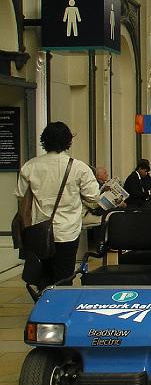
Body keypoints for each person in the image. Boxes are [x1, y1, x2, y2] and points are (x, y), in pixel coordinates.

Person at [15, 122, 100, 288]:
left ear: (44, 141)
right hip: (67, 231)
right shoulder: (79, 168)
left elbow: (21, 198)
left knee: (43, 277)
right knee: (64, 276)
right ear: (68, 142)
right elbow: (93, 196)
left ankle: (44, 307)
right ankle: (60, 310)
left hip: (38, 232)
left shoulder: (30, 166)